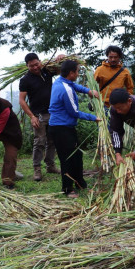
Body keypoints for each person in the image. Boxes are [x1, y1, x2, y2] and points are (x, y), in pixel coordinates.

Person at [48, 60, 100, 198]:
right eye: (77, 71)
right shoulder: (65, 90)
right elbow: (74, 112)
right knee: (67, 158)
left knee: (77, 155)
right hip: (61, 128)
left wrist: (88, 90)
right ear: (71, 73)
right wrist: (93, 117)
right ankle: (67, 188)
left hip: (66, 127)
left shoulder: (61, 81)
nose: (78, 74)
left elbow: (74, 85)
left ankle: (80, 183)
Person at [19, 52, 64, 181]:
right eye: (31, 66)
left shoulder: (47, 71)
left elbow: (63, 70)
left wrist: (61, 57)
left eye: (36, 64)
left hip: (53, 113)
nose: (35, 67)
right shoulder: (25, 80)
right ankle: (37, 169)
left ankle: (50, 166)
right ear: (27, 66)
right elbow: (22, 101)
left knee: (52, 140)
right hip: (38, 115)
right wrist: (32, 117)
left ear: (40, 62)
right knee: (39, 142)